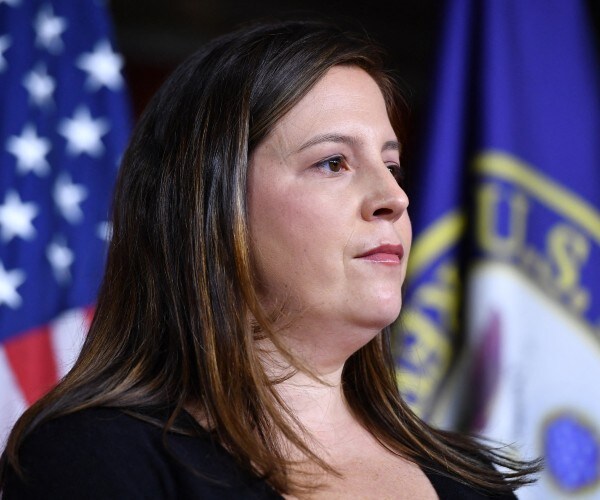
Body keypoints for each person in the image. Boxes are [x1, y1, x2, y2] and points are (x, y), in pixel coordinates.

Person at [0, 20, 539, 499]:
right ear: (211, 207)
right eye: (333, 162)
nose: (394, 198)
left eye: (391, 165)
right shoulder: (93, 460)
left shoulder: (474, 481)